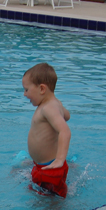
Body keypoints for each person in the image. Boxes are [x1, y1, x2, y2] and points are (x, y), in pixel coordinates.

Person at [24, 63, 72, 198]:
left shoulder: (48, 108)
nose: (24, 94)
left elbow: (65, 131)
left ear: (42, 89)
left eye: (26, 90)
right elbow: (67, 116)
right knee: (43, 194)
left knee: (50, 202)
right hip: (45, 167)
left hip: (50, 169)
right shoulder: (54, 104)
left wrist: (59, 160)